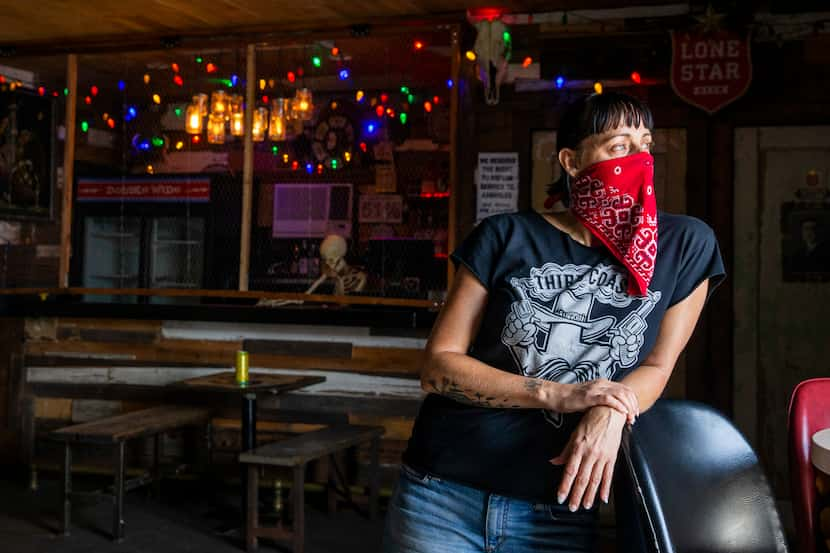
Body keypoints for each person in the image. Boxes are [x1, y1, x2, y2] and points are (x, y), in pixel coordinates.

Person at [381, 91, 725, 553]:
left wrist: (610, 409)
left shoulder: (685, 246)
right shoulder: (504, 236)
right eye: (619, 146)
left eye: (645, 144)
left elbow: (658, 368)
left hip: (559, 507)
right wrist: (561, 394)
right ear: (572, 160)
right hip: (442, 493)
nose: (640, 159)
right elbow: (438, 367)